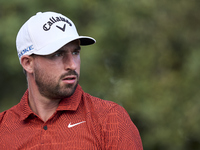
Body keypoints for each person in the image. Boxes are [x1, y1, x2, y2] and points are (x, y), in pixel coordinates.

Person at [0, 11, 143, 149]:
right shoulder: (3, 128)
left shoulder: (111, 118)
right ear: (28, 63)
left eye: (75, 52)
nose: (72, 65)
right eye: (58, 54)